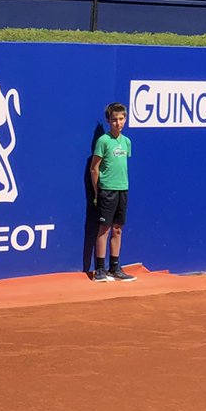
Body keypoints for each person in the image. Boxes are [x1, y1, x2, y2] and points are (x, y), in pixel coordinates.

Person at [90, 102, 136, 283]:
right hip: (106, 190)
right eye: (115, 119)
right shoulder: (103, 141)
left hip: (122, 190)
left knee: (117, 229)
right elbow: (94, 169)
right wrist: (97, 191)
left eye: (121, 119)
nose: (118, 123)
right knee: (104, 229)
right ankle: (100, 269)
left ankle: (114, 268)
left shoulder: (127, 142)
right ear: (109, 121)